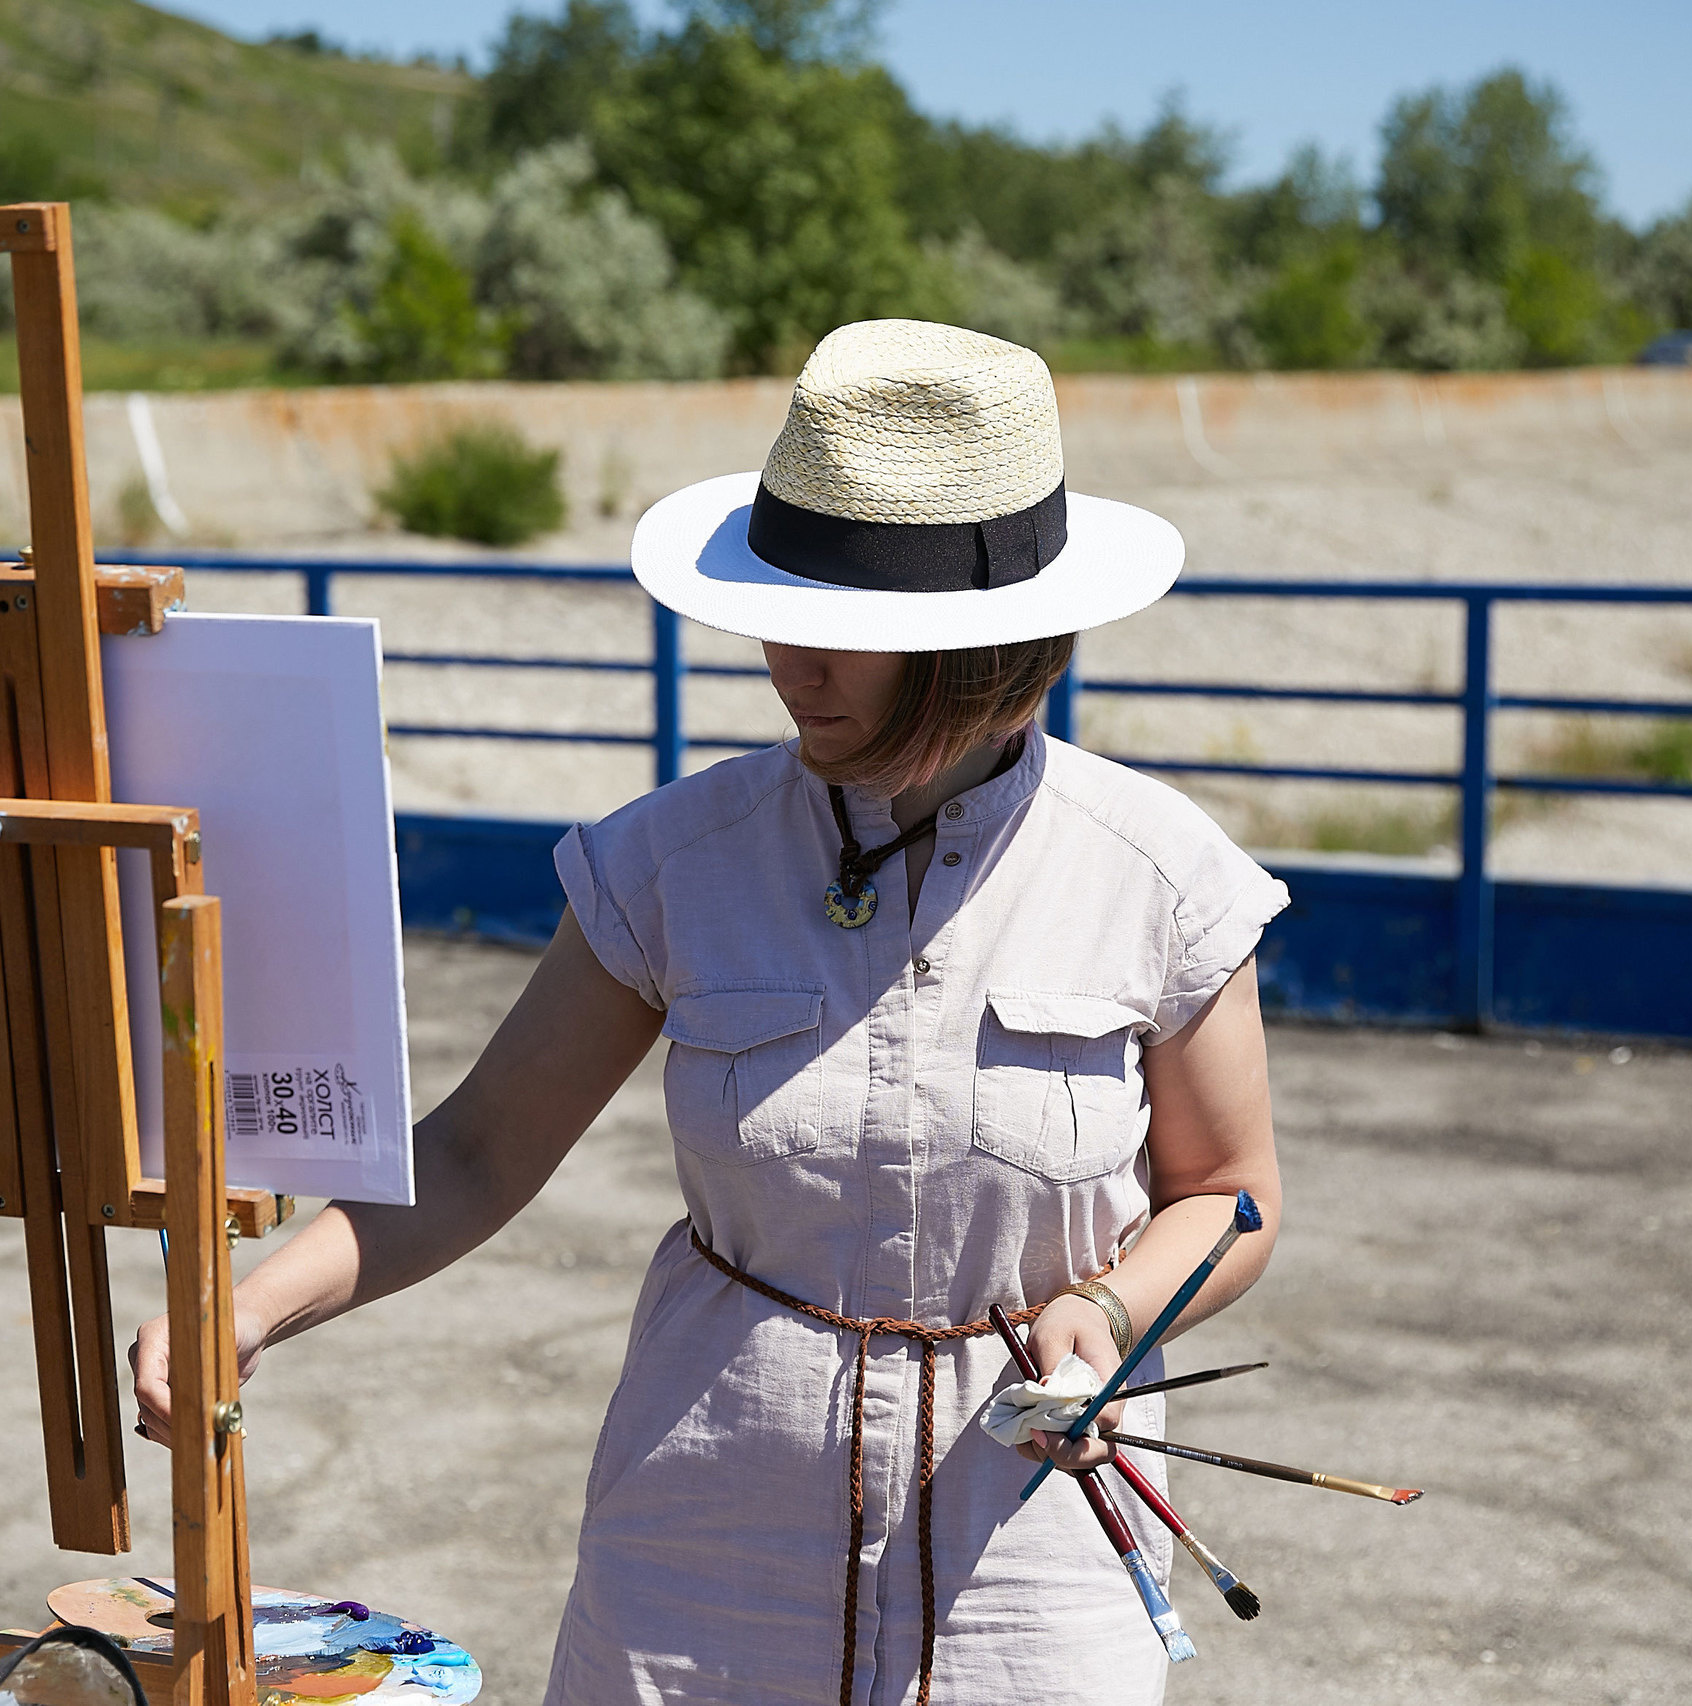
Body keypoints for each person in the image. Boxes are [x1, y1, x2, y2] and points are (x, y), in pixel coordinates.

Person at [132, 319, 1286, 1706]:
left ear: (981, 650)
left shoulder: (1158, 876)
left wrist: (1108, 1309)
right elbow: (479, 1150)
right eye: (780, 609)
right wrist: (251, 1306)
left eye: (846, 633)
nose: (790, 665)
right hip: (703, 1540)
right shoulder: (675, 859)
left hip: (1029, 1559)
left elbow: (1229, 1195)